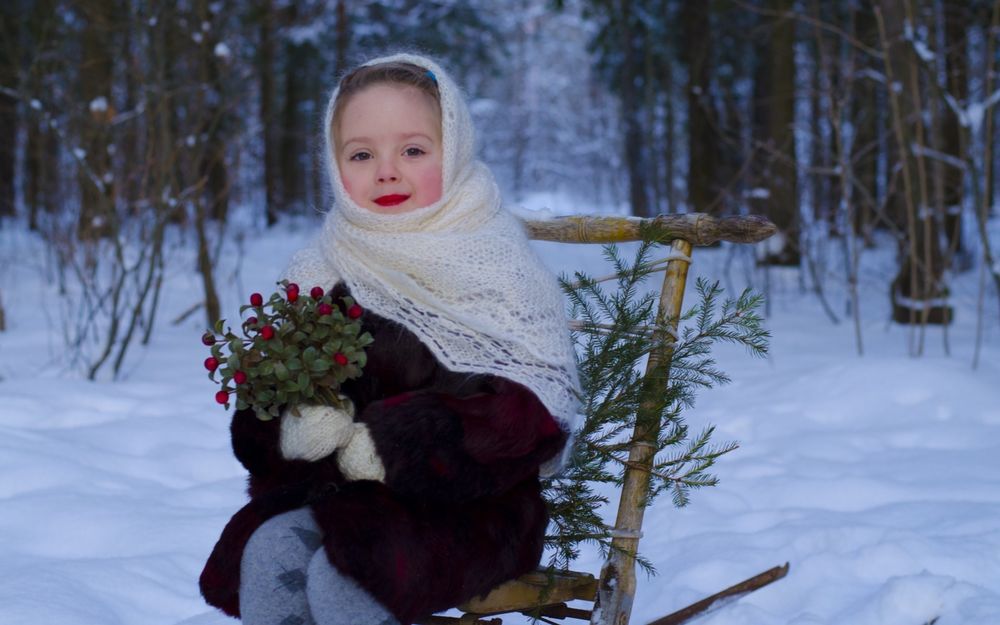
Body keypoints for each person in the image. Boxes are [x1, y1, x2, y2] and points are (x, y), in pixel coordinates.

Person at [199, 52, 580, 625]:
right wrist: (291, 427)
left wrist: (397, 443)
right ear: (335, 163)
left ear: (451, 150)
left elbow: (532, 421)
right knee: (271, 550)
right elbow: (257, 423)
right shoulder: (320, 269)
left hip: (469, 511)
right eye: (361, 153)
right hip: (337, 499)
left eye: (413, 150)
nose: (386, 171)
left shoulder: (500, 268)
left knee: (350, 572)